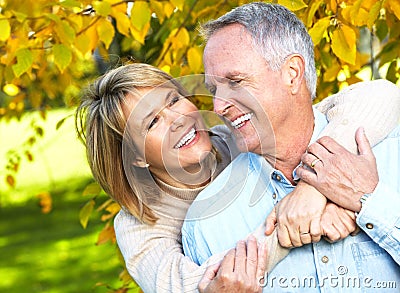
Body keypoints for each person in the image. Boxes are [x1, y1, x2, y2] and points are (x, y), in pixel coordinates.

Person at [76, 64, 398, 292]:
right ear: (134, 156)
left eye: (173, 100)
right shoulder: (138, 224)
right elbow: (208, 287)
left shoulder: (235, 138)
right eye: (153, 122)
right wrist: (304, 221)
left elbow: (378, 97)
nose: (179, 120)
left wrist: (316, 188)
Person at [181, 2, 400, 292]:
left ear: (292, 74)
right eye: (214, 90)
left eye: (235, 81)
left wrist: (370, 204)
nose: (219, 106)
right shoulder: (207, 223)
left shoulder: (392, 155)